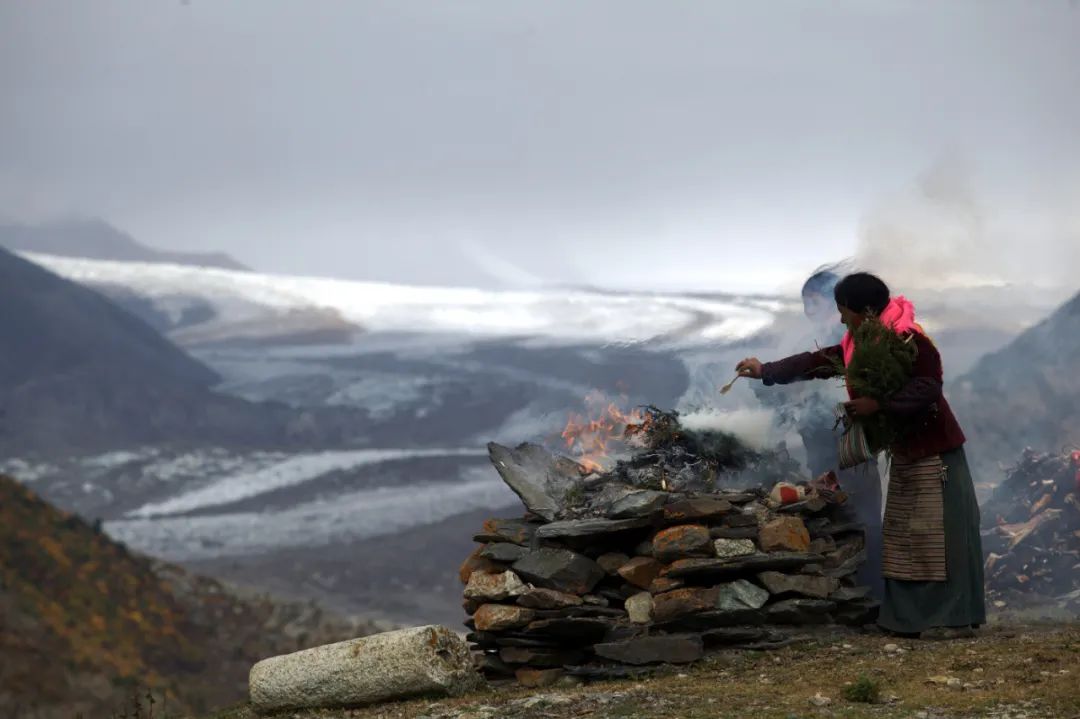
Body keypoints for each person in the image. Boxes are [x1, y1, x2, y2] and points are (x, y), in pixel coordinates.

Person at [735, 272, 985, 638]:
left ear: (865, 310)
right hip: (906, 453)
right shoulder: (858, 343)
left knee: (937, 537)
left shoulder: (910, 340)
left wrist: (878, 404)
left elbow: (928, 387)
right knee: (905, 537)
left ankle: (954, 619)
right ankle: (913, 618)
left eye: (843, 310)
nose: (839, 319)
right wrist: (766, 371)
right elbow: (818, 362)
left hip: (935, 453)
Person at [751, 266, 884, 598]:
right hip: (819, 441)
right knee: (827, 508)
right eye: (805, 304)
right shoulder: (834, 340)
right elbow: (808, 366)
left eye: (814, 302)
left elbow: (827, 373)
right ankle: (842, 591)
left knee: (862, 514)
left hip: (850, 440)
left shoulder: (861, 341)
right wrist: (767, 375)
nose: (809, 311)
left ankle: (875, 592)